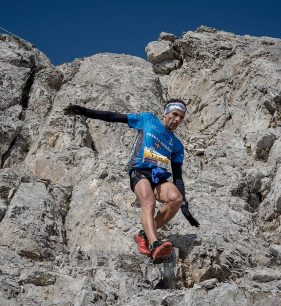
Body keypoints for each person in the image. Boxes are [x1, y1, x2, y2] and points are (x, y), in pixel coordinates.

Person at [64, 100, 199, 261]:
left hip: (158, 176)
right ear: (166, 113)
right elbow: (114, 117)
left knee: (176, 198)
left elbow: (178, 176)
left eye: (181, 117)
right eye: (174, 114)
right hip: (139, 170)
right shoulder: (148, 120)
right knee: (148, 202)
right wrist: (84, 111)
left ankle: (144, 235)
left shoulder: (177, 145)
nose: (177, 119)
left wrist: (184, 205)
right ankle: (155, 244)